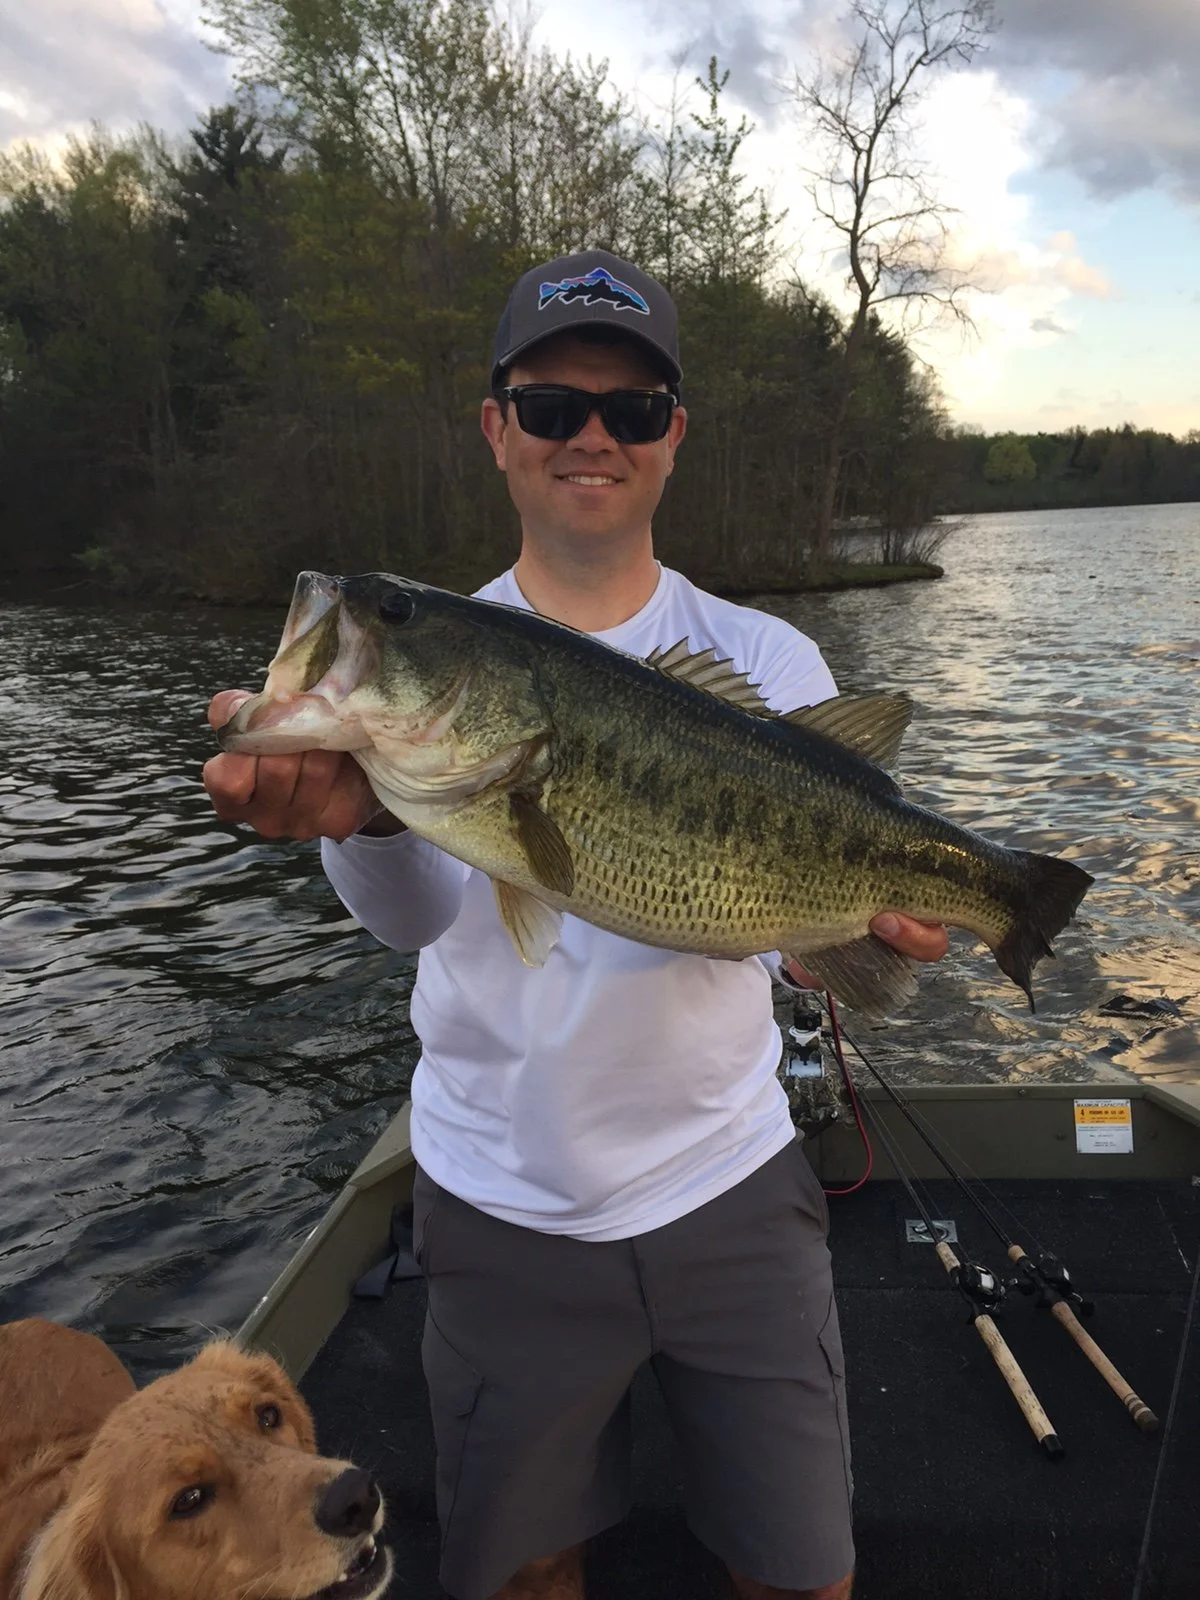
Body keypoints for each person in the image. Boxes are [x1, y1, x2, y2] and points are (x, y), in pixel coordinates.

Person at [203, 249, 949, 1600]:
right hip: (499, 1202)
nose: (590, 436)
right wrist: (367, 819)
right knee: (526, 1573)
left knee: (805, 1574)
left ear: (674, 437)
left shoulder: (770, 661)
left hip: (731, 1181)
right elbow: (414, 920)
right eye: (552, 408)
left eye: (631, 409)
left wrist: (844, 936)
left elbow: (788, 924)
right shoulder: (441, 662)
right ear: (498, 431)